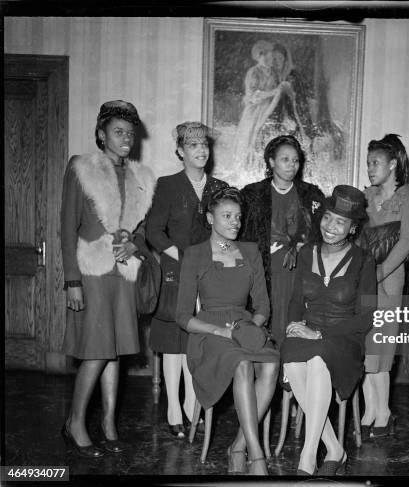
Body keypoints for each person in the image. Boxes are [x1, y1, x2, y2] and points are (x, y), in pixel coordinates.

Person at [61, 100, 156, 457]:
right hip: (92, 271)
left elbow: (143, 233)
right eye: (118, 132)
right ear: (102, 135)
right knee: (97, 351)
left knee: (115, 353)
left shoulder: (141, 177)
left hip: (124, 273)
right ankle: (75, 423)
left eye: (130, 133)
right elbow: (67, 226)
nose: (126, 138)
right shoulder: (81, 168)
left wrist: (134, 243)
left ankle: (109, 425)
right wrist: (72, 281)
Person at [176, 187, 279, 475]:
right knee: (243, 364)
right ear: (210, 218)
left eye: (238, 216)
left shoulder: (250, 251)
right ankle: (256, 456)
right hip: (209, 335)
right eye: (227, 216)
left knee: (271, 364)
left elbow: (262, 308)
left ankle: (238, 446)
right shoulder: (195, 254)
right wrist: (221, 332)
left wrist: (249, 327)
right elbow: (183, 316)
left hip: (245, 327)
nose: (235, 222)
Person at [281, 185, 377, 475]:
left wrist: (321, 335)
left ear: (352, 227)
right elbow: (297, 300)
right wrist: (293, 325)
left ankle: (307, 458)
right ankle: (335, 448)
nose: (330, 227)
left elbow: (368, 316)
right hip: (309, 331)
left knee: (319, 358)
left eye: (340, 222)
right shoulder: (308, 251)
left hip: (343, 339)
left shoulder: (363, 260)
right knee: (292, 354)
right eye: (327, 218)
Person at [146, 122, 228, 438]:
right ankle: (173, 410)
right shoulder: (167, 185)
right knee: (174, 342)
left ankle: (194, 406)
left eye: (204, 144)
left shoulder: (219, 187)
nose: (201, 150)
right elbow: (154, 230)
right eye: (193, 145)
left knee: (200, 341)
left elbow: (227, 231)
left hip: (208, 274)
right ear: (180, 151)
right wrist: (179, 256)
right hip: (176, 271)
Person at [361, 134, 409, 439]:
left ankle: (383, 412)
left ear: (393, 163)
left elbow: (408, 242)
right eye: (368, 162)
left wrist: (379, 273)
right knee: (364, 348)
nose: (370, 168)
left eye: (376, 162)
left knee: (381, 349)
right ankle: (369, 411)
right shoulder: (366, 196)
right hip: (362, 281)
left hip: (389, 281)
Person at [240, 134, 325, 348]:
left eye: (295, 160)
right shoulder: (252, 194)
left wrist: (303, 246)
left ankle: (290, 379)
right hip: (263, 273)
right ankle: (268, 377)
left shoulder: (310, 194)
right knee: (267, 328)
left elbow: (323, 234)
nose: (292, 165)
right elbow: (236, 234)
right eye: (285, 159)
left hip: (298, 274)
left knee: (293, 325)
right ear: (271, 161)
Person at [232, 40, 281, 171]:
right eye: (262, 55)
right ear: (257, 57)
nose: (266, 57)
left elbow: (279, 91)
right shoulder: (253, 72)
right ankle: (249, 169)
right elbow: (253, 95)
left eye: (268, 54)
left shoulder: (274, 72)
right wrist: (273, 92)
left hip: (269, 110)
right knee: (252, 138)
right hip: (255, 111)